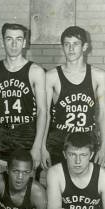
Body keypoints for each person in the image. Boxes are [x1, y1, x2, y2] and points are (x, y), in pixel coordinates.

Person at [43, 26, 105, 168]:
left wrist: (104, 147)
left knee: (87, 187)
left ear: (85, 47)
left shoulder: (99, 76)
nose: (71, 49)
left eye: (75, 44)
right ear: (62, 47)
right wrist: (42, 147)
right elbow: (44, 114)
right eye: (67, 44)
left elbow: (103, 115)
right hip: (59, 140)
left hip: (87, 140)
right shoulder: (51, 76)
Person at [0, 23, 46, 175]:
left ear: (25, 43)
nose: (14, 44)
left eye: (18, 39)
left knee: (25, 189)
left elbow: (42, 111)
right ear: (2, 42)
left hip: (26, 137)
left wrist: (37, 146)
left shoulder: (35, 71)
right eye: (9, 39)